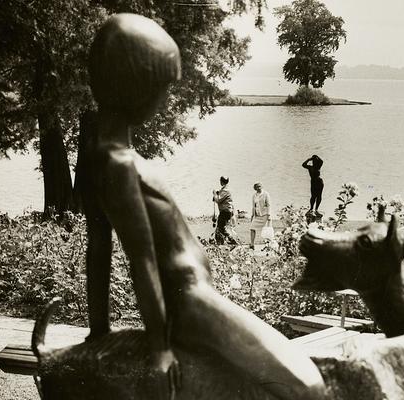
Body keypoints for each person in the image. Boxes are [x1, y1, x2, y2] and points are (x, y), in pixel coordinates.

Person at [81, 14, 325, 400]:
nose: (164, 101)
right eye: (161, 89)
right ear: (136, 87)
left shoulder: (99, 155)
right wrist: (161, 350)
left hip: (195, 298)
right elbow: (140, 259)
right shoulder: (121, 164)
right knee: (307, 385)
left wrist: (98, 330)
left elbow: (98, 249)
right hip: (191, 302)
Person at [212, 176, 237, 245]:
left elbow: (218, 200)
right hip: (226, 211)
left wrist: (214, 194)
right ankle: (222, 242)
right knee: (220, 227)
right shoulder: (224, 189)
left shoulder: (225, 190)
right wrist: (217, 194)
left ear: (221, 181)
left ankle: (231, 239)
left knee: (220, 228)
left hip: (225, 211)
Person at [250, 182, 271, 249]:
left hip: (265, 215)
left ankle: (268, 245)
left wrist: (269, 215)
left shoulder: (266, 194)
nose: (259, 188)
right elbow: (253, 206)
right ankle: (252, 244)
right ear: (255, 188)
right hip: (257, 215)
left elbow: (268, 205)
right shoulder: (254, 195)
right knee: (252, 228)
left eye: (260, 186)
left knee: (266, 230)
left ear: (262, 187)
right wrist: (252, 215)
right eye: (257, 187)